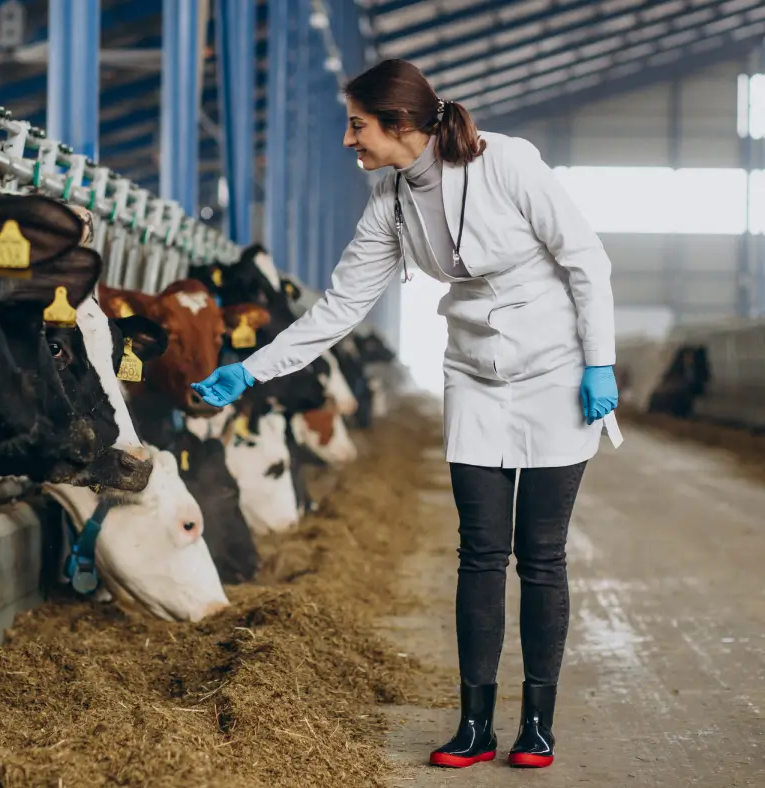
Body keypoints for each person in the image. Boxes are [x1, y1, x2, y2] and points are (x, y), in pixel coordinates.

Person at [191, 59, 621, 770]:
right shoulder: (389, 202)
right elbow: (337, 309)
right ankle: (475, 724)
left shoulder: (506, 163)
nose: (347, 140)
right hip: (476, 378)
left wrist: (598, 358)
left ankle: (537, 724)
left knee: (541, 556)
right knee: (481, 553)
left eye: (356, 125)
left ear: (399, 124)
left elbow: (586, 260)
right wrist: (252, 366)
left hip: (556, 373)